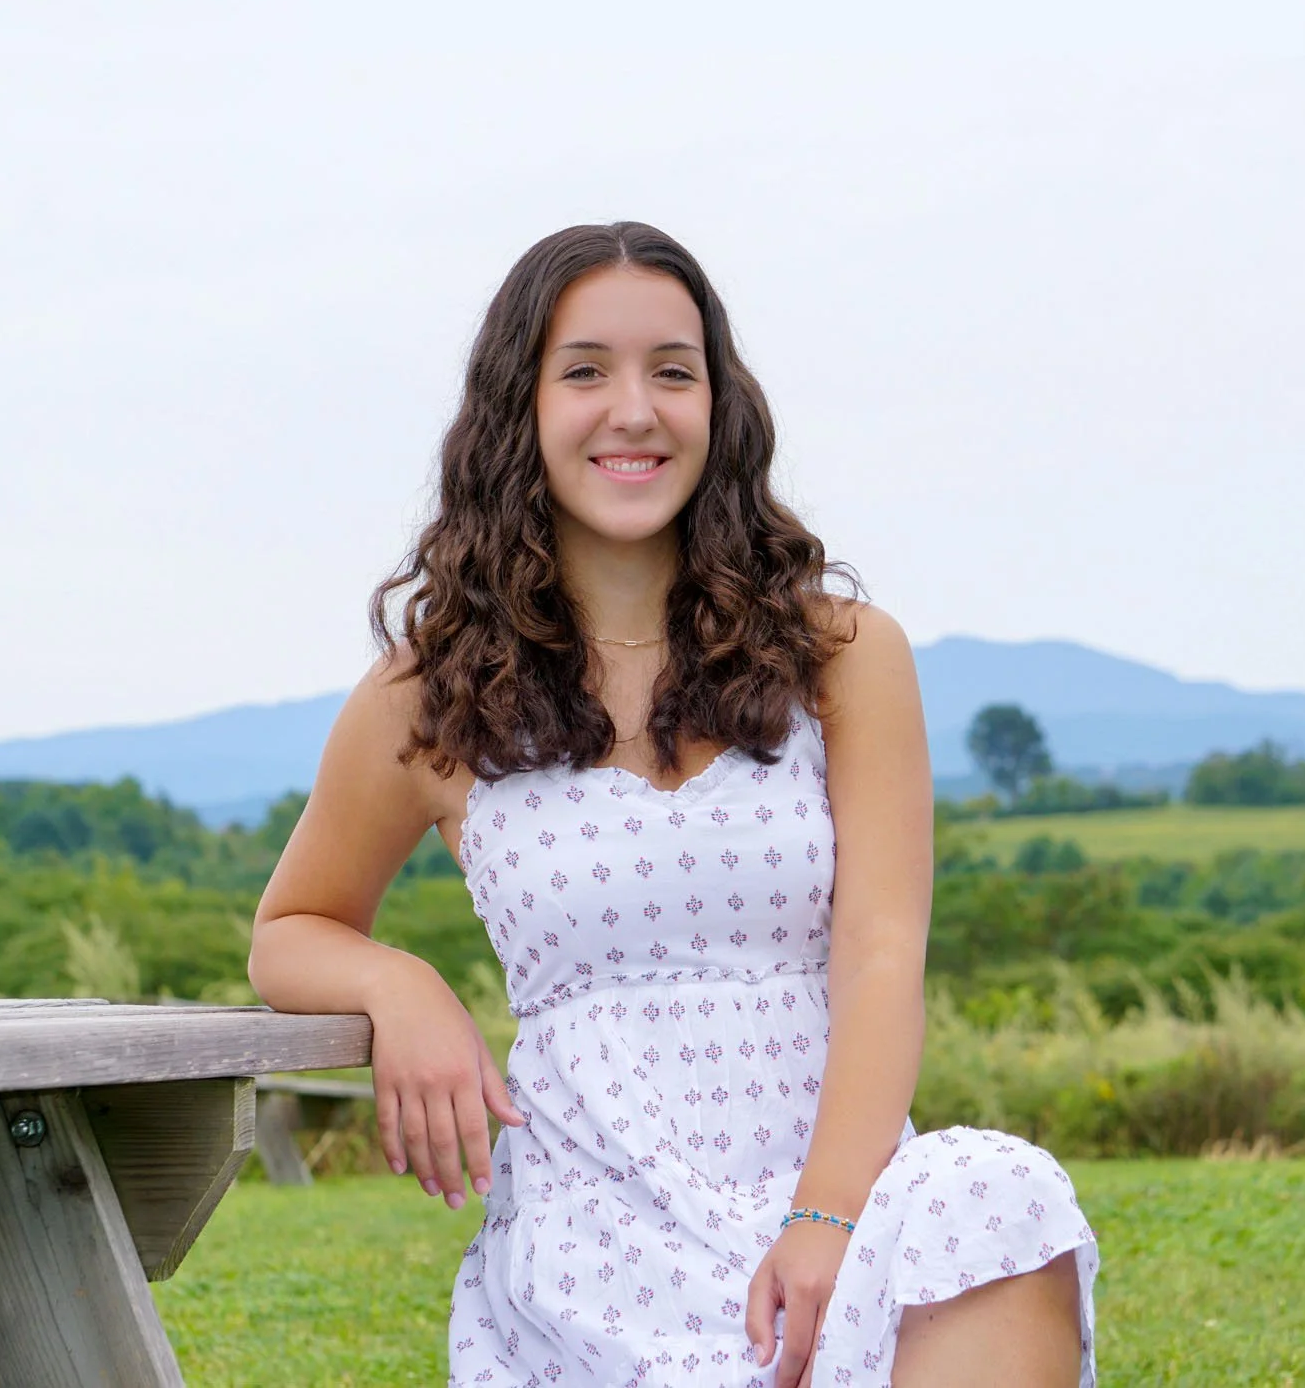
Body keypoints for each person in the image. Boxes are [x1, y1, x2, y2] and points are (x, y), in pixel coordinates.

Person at [248, 221, 1098, 1387]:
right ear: (520, 406)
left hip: (837, 1192)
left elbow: (879, 951)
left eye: (672, 371)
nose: (634, 410)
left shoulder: (842, 653)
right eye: (585, 369)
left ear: (718, 403)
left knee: (996, 1195)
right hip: (599, 1236)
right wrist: (398, 981)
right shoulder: (424, 694)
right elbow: (290, 929)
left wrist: (825, 1219)